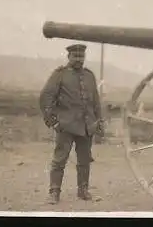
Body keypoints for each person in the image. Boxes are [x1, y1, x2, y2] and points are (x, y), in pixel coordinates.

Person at [39, 44, 105, 204]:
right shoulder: (60, 74)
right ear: (68, 57)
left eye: (81, 56)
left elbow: (95, 101)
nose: (78, 60)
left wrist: (99, 120)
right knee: (59, 159)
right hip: (66, 125)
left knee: (84, 160)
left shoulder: (89, 76)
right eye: (75, 56)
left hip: (86, 126)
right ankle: (54, 192)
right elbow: (45, 97)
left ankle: (83, 190)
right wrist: (52, 121)